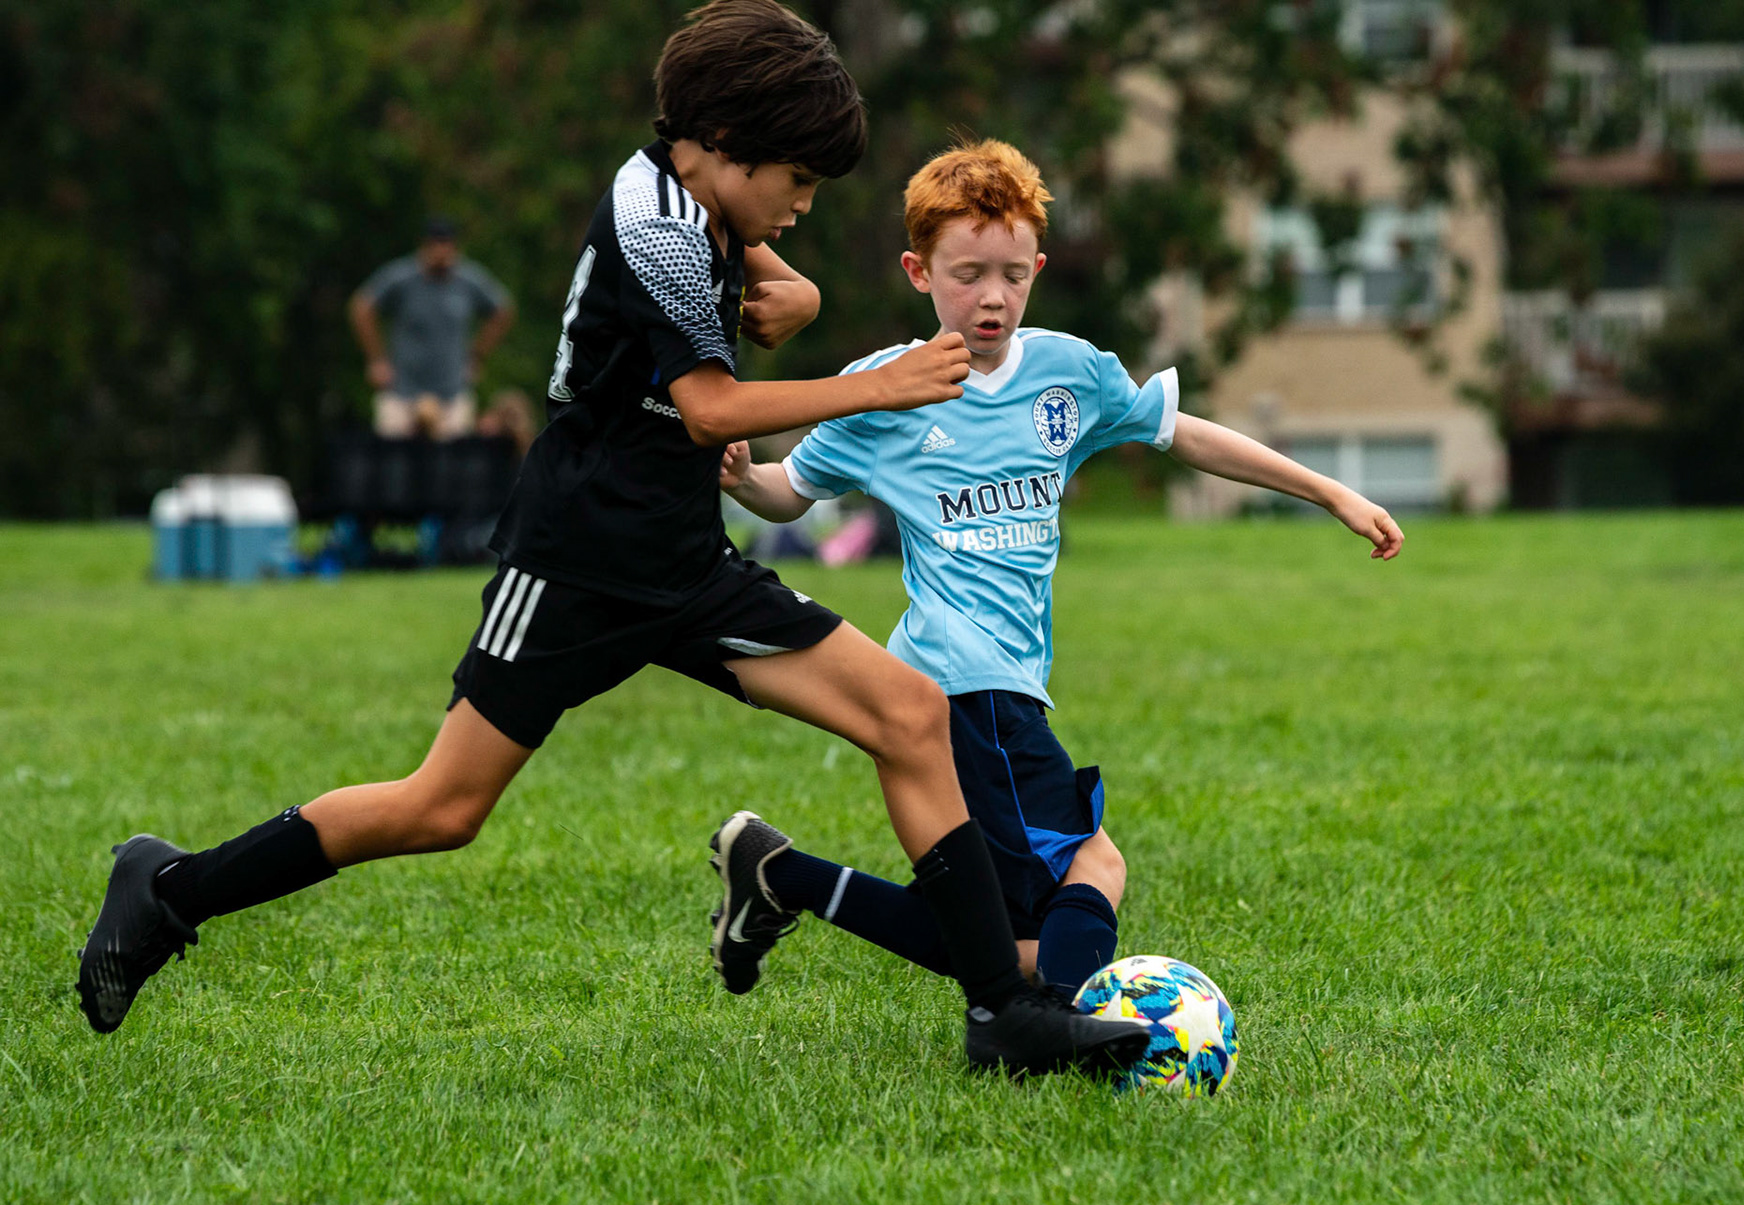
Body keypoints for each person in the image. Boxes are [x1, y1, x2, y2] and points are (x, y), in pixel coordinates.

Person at [75, 3, 1144, 1081]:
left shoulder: (706, 196)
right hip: (578, 562)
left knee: (908, 712)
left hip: (683, 557)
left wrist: (798, 289)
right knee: (441, 806)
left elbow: (761, 278)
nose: (804, 206)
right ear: (727, 145)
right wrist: (881, 382)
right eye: (798, 183)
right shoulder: (656, 227)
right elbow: (715, 409)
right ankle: (169, 889)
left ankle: (1004, 1011)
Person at [712, 139, 1405, 1000]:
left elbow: (1177, 431)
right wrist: (748, 481)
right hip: (966, 689)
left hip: (1006, 687)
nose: (992, 296)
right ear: (918, 272)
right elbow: (796, 491)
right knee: (1094, 863)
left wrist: (1326, 490)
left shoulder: (1068, 373)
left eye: (1012, 273)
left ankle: (785, 878)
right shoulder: (887, 389)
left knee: (1003, 938)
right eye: (967, 274)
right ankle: (1086, 1030)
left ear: (1038, 267)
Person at [350, 216, 517, 440]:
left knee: (453, 465)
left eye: (446, 245)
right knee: (394, 462)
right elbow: (361, 306)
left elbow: (503, 310)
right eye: (436, 244)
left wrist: (477, 356)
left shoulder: (468, 280)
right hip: (402, 390)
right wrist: (376, 359)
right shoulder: (402, 277)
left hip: (452, 391)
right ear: (425, 246)